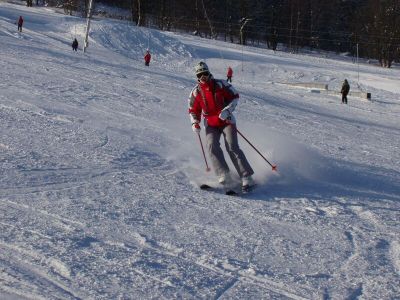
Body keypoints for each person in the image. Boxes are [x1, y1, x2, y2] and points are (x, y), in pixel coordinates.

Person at [188, 61, 254, 191]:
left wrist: (226, 111)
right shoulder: (196, 92)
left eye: (205, 73)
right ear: (197, 77)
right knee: (212, 145)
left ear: (209, 73)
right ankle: (223, 174)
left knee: (232, 146)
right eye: (200, 75)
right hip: (211, 124)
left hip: (226, 121)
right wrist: (195, 122)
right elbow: (192, 109)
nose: (203, 77)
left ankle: (247, 177)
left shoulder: (221, 84)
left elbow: (235, 97)